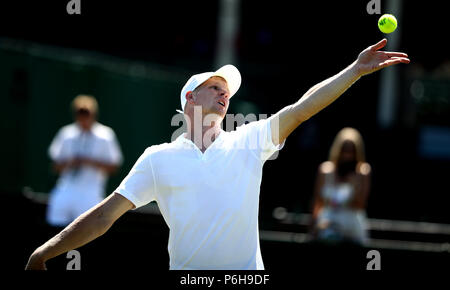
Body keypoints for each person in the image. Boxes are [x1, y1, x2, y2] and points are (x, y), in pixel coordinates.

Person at [26, 39, 409, 270]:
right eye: (215, 87)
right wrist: (47, 251)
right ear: (190, 98)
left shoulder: (250, 140)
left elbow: (302, 108)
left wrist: (354, 71)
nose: (225, 93)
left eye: (228, 91)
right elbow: (105, 214)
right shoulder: (157, 158)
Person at [46, 95, 123, 227]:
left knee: (86, 231)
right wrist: (71, 163)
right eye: (80, 113)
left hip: (91, 192)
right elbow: (55, 166)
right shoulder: (66, 133)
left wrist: (90, 162)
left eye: (87, 113)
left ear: (93, 114)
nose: (83, 118)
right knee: (55, 225)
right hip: (66, 189)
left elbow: (114, 167)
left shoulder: (105, 135)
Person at [310, 127, 371, 246]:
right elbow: (318, 202)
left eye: (351, 150)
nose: (347, 155)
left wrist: (354, 186)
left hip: (352, 229)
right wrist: (313, 227)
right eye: (344, 150)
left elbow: (360, 205)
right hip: (327, 227)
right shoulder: (325, 170)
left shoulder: (362, 172)